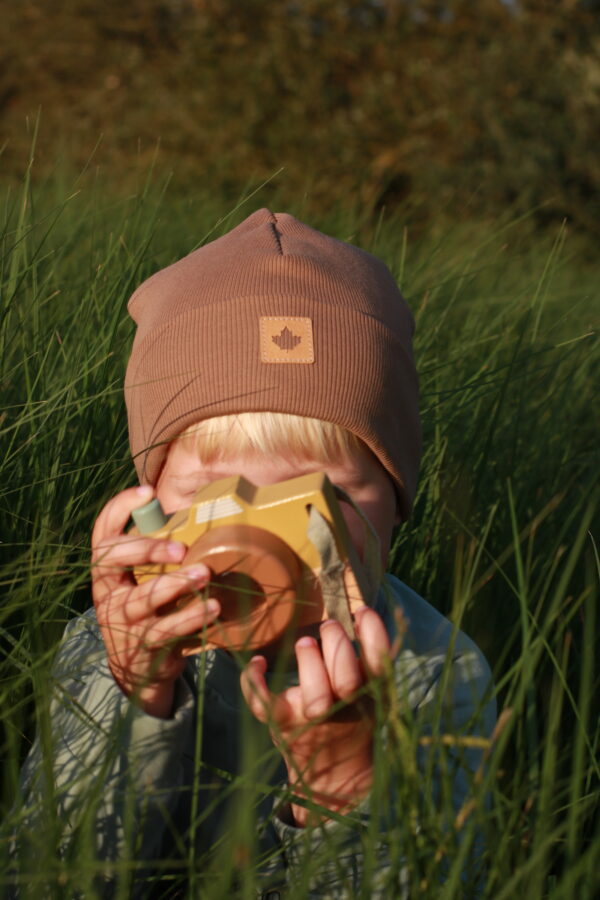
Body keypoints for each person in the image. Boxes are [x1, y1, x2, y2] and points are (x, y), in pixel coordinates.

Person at [8, 209, 496, 898]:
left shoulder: (431, 672)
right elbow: (47, 877)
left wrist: (343, 786)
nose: (268, 531)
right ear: (147, 500)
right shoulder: (118, 641)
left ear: (397, 504)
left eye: (324, 494)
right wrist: (137, 695)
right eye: (215, 490)